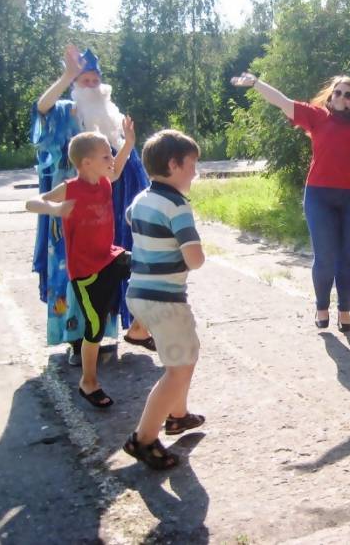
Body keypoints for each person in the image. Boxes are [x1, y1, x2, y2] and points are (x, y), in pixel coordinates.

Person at [230, 72, 350, 332]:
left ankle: (344, 311)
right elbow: (282, 101)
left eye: (348, 95)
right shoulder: (317, 116)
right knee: (325, 257)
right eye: (338, 92)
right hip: (319, 197)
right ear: (331, 96)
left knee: (347, 258)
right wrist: (256, 83)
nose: (342, 97)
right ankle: (322, 306)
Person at [31, 45, 151, 362]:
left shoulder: (109, 117)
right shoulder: (65, 111)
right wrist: (66, 75)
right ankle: (76, 341)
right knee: (74, 274)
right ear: (74, 84)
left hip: (102, 214)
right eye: (85, 80)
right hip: (69, 213)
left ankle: (103, 337)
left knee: (105, 271)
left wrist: (128, 144)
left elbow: (120, 168)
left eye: (96, 80)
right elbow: (41, 109)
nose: (92, 85)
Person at [25, 126, 137, 407]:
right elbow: (31, 203)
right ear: (86, 163)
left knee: (145, 267)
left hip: (108, 257)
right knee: (94, 327)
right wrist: (54, 209)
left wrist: (129, 142)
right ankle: (89, 382)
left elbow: (118, 167)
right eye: (106, 156)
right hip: (86, 272)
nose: (111, 160)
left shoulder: (105, 181)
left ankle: (139, 329)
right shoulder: (71, 188)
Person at [123, 130, 205, 470]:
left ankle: (178, 416)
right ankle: (143, 439)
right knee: (178, 368)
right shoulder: (177, 206)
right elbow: (195, 259)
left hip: (138, 294)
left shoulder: (142, 199)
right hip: (165, 300)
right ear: (173, 165)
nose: (195, 172)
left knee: (184, 356)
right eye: (192, 164)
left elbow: (129, 217)